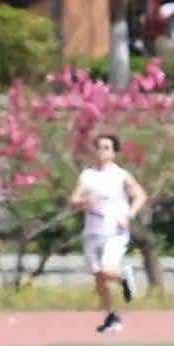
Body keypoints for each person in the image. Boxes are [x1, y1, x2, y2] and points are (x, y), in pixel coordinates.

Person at [69, 134, 148, 334]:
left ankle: (125, 276)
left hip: (114, 231)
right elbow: (74, 200)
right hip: (92, 231)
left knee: (106, 269)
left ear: (113, 152)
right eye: (99, 147)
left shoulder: (121, 175)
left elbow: (140, 195)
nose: (102, 151)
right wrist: (84, 201)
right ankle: (112, 316)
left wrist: (129, 214)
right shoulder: (87, 175)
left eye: (106, 148)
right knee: (99, 277)